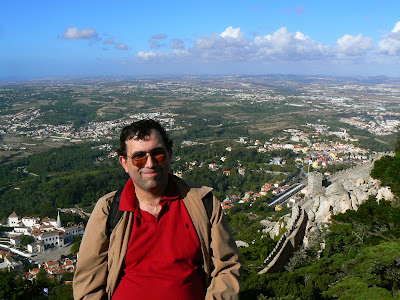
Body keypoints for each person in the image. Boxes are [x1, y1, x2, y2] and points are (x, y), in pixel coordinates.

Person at [73, 119, 241, 300]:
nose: (150, 164)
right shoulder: (108, 210)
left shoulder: (202, 203)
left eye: (158, 154)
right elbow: (88, 281)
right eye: (139, 157)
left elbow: (227, 267)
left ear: (170, 154)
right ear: (124, 163)